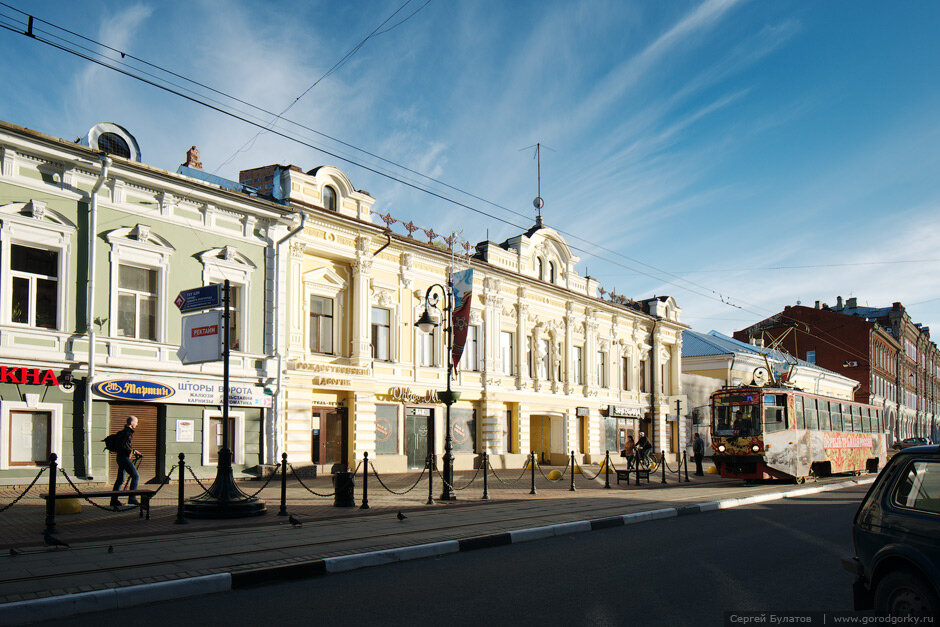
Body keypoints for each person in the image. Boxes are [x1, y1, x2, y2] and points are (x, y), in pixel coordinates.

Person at [109, 416, 141, 508]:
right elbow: (123, 446)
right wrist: (132, 451)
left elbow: (123, 445)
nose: (137, 424)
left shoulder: (123, 432)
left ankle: (114, 500)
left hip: (120, 457)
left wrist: (132, 450)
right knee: (135, 476)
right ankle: (132, 498)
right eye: (136, 422)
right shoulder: (127, 433)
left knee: (120, 479)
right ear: (132, 423)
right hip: (124, 458)